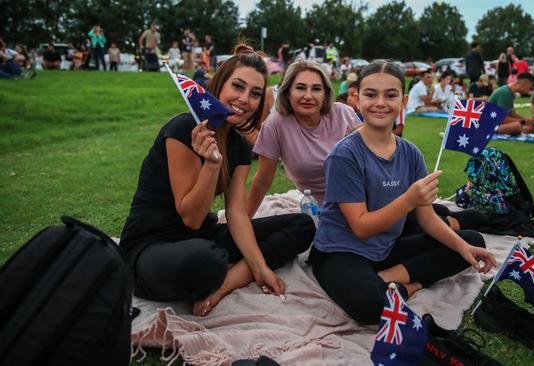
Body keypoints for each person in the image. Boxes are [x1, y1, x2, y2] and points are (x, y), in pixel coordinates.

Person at [119, 43, 315, 317]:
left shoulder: (240, 146)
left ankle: (227, 281)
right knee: (205, 260)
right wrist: (211, 165)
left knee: (302, 225)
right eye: (238, 86)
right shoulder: (183, 128)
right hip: (151, 246)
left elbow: (236, 213)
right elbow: (191, 217)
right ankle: (219, 271)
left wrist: (260, 268)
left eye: (255, 93)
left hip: (203, 236)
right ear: (219, 84)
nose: (245, 99)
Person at [308, 60, 497, 325]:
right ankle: (410, 285)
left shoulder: (410, 153)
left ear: (404, 100)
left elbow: (428, 219)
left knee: (472, 242)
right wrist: (409, 199)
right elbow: (360, 227)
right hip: (341, 251)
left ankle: (389, 278)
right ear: (356, 99)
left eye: (391, 95)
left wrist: (462, 247)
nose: (380, 103)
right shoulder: (344, 155)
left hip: (386, 247)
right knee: (371, 305)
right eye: (371, 94)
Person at [246, 60, 360, 215]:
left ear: (325, 93)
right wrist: (246, 217)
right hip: (318, 209)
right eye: (300, 88)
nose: (308, 96)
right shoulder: (275, 124)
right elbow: (263, 180)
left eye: (316, 89)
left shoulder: (343, 113)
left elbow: (374, 154)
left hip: (360, 201)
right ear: (287, 92)